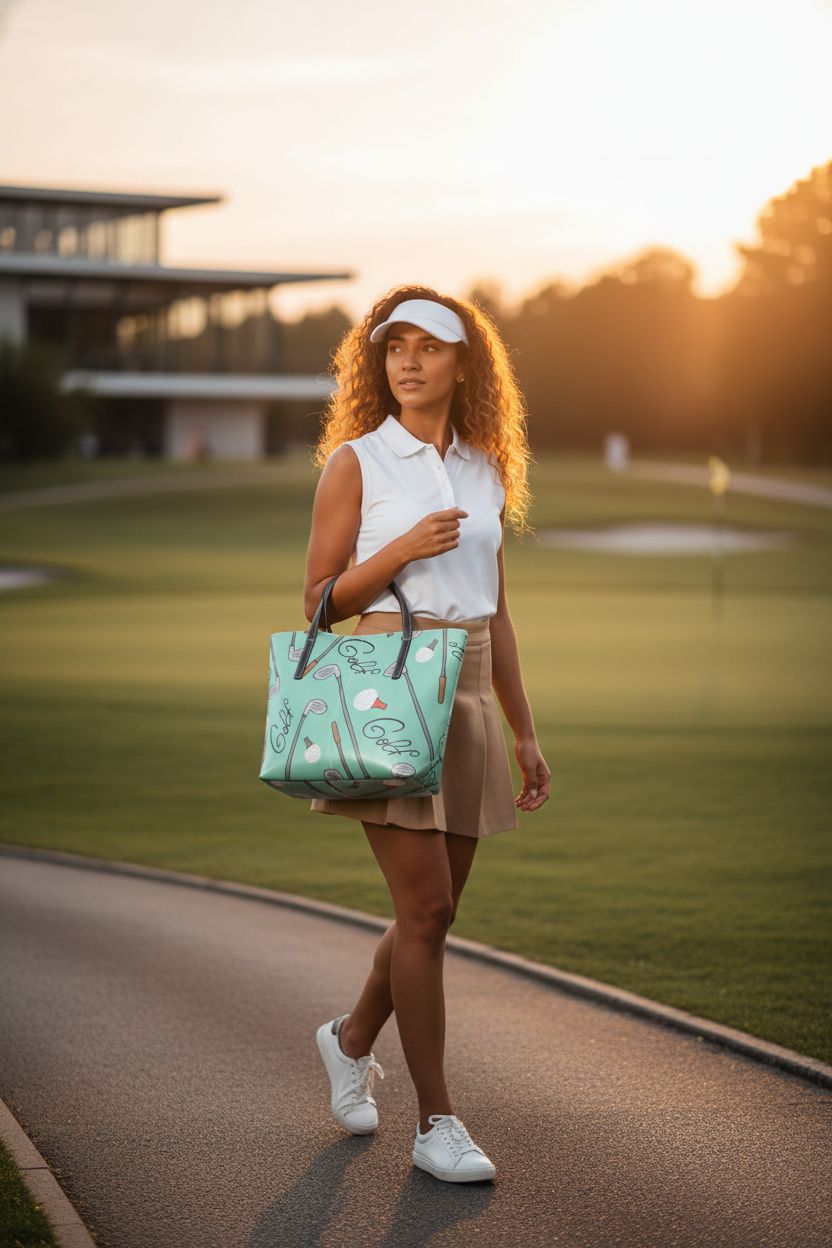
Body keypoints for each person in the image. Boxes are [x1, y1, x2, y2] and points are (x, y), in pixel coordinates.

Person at [304, 286, 551, 1183]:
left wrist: (524, 730)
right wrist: (401, 549)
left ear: (462, 360)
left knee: (434, 914)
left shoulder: (487, 464)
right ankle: (436, 1122)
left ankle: (350, 1036)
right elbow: (321, 604)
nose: (407, 359)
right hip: (390, 678)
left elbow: (498, 604)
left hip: (473, 685)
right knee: (428, 909)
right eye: (393, 345)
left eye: (428, 346)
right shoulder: (357, 463)